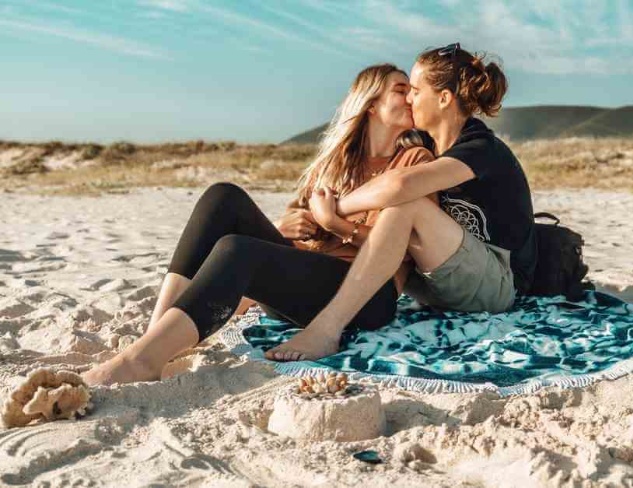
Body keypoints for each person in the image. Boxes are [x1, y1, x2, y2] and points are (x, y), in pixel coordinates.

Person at [81, 64, 435, 386]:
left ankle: (143, 361)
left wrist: (335, 223)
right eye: (401, 88)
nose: (411, 96)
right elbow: (295, 223)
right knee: (222, 196)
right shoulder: (335, 164)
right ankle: (156, 336)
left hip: (367, 297)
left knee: (236, 250)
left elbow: (409, 246)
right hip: (301, 285)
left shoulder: (415, 160)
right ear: (370, 103)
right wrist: (286, 225)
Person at [265, 43, 537, 362]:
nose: (409, 98)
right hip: (432, 279)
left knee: (408, 202)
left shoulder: (480, 148)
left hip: (495, 285)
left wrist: (334, 212)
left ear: (444, 99)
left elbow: (399, 185)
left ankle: (327, 330)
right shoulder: (425, 144)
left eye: (416, 90)